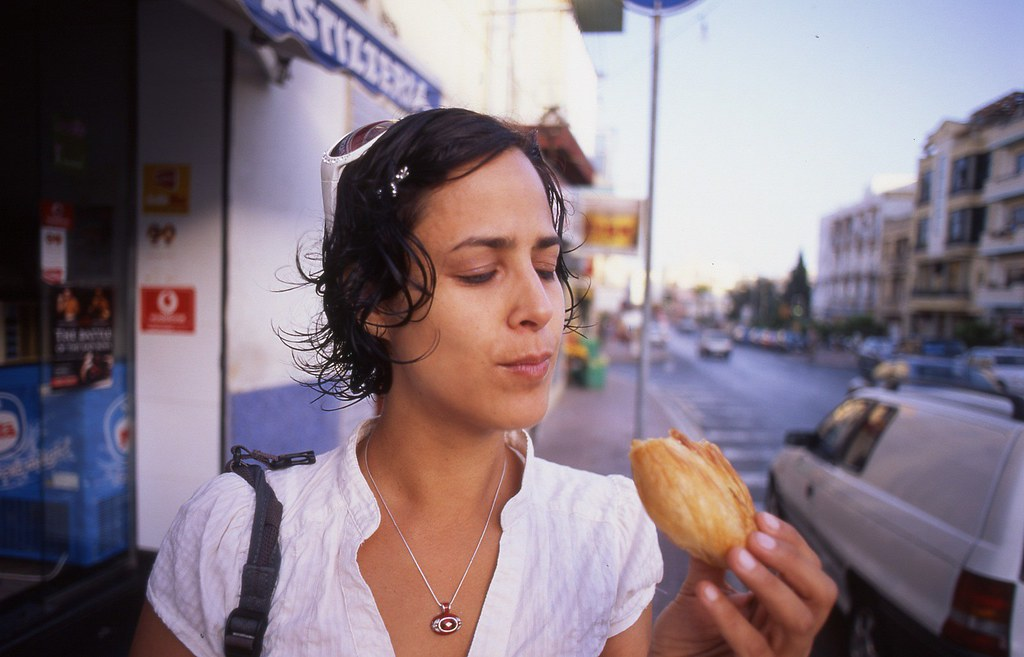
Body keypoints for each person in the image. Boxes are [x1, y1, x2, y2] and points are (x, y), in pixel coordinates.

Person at [129, 108, 836, 657]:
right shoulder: (233, 534)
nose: (541, 307)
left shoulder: (607, 531)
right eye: (480, 270)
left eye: (547, 264)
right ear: (374, 299)